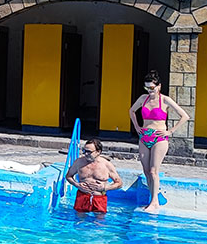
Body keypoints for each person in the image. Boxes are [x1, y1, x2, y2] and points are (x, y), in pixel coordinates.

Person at [129, 70, 190, 212]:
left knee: (153, 170)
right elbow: (131, 111)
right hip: (144, 136)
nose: (150, 90)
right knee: (146, 170)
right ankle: (153, 196)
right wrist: (137, 126)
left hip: (159, 138)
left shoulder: (165, 100)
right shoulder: (143, 98)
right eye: (147, 88)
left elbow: (184, 116)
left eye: (152, 87)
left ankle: (154, 202)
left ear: (159, 86)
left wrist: (171, 131)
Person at [65, 138, 123, 213]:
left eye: (89, 152)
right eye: (84, 151)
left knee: (99, 222)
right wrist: (77, 185)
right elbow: (68, 176)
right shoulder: (79, 162)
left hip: (99, 198)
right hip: (82, 196)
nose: (85, 154)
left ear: (98, 152)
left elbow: (119, 183)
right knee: (79, 222)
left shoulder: (106, 165)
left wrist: (105, 187)